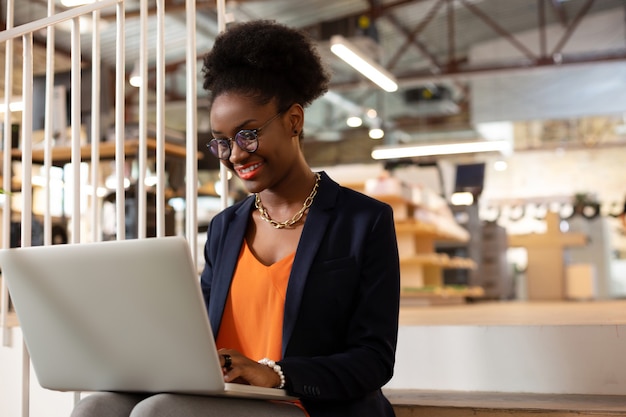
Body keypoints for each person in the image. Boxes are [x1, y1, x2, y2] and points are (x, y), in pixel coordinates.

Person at [71, 19, 400, 417]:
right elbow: (200, 333)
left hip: (303, 404)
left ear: (294, 120)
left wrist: (274, 373)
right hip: (224, 398)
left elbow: (373, 359)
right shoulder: (226, 227)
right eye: (222, 142)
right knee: (97, 406)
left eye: (248, 134)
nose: (235, 155)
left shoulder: (364, 220)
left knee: (160, 413)